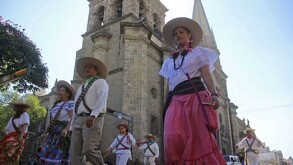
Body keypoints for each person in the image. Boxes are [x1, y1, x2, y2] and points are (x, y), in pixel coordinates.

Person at [159, 17, 226, 164]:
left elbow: (207, 74)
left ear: (189, 36)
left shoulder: (198, 53)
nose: (178, 34)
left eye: (181, 32)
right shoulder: (169, 61)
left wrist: (214, 94)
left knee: (197, 138)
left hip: (195, 98)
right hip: (175, 101)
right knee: (172, 136)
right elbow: (169, 84)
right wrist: (167, 105)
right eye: (175, 33)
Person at [70, 57, 109, 165]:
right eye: (86, 67)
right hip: (79, 119)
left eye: (90, 67)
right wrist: (72, 125)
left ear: (96, 70)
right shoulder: (81, 87)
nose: (87, 69)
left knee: (89, 149)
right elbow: (75, 106)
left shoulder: (101, 82)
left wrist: (93, 115)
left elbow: (102, 99)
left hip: (92, 119)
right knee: (74, 153)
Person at [39, 80, 75, 164]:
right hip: (52, 132)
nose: (59, 92)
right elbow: (51, 122)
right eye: (59, 90)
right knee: (45, 151)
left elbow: (72, 118)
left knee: (58, 154)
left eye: (62, 91)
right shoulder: (55, 106)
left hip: (62, 132)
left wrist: (66, 129)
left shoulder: (70, 103)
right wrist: (44, 133)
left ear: (68, 93)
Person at [0, 99, 30, 164]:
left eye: (20, 106)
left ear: (23, 108)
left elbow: (25, 125)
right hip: (9, 137)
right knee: (4, 154)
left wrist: (21, 136)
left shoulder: (25, 114)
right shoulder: (13, 117)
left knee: (11, 153)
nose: (18, 108)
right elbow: (8, 129)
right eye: (17, 106)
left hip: (17, 137)